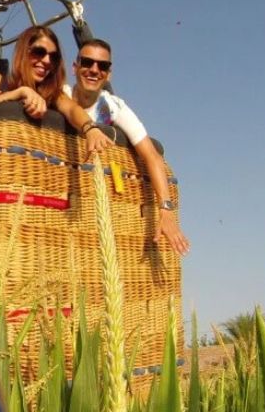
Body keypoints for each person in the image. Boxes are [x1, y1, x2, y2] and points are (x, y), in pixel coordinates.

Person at [67, 39, 190, 255]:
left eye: (102, 66)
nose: (94, 70)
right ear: (75, 67)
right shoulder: (60, 95)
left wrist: (166, 209)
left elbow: (151, 156)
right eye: (87, 62)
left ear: (109, 74)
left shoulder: (114, 107)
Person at [0, 26, 111, 156]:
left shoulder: (53, 94)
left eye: (53, 57)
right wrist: (20, 92)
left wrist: (90, 129)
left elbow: (72, 109)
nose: (47, 60)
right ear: (24, 51)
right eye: (39, 52)